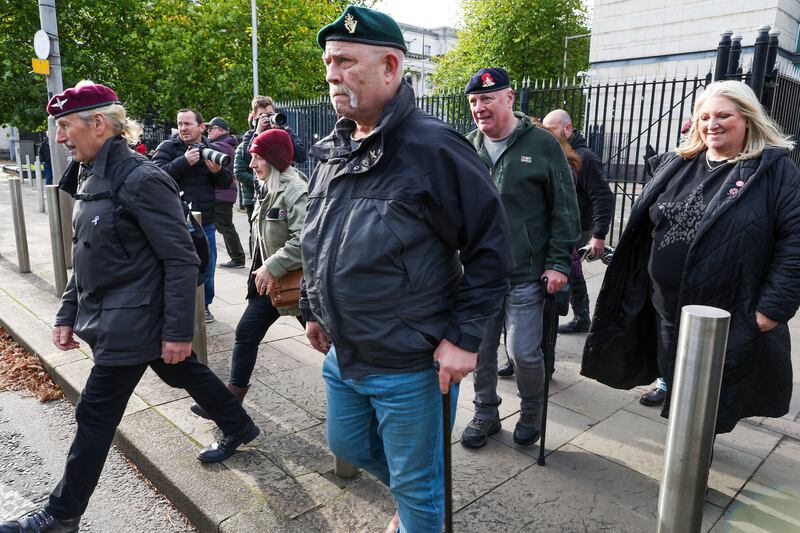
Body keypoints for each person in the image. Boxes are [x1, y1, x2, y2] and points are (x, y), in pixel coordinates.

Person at [0, 81, 259, 533]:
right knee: (182, 371)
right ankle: (238, 425)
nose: (59, 137)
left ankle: (61, 516)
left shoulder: (140, 178)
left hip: (134, 321)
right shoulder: (93, 175)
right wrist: (66, 313)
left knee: (95, 415)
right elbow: (87, 253)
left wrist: (177, 331)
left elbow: (182, 258)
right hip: (120, 315)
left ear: (98, 124)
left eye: (65, 126)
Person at [303, 7, 513, 532]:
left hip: (410, 362)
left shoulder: (434, 147)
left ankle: (419, 510)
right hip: (346, 350)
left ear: (391, 67)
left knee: (419, 487)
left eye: (346, 61)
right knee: (347, 444)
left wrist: (465, 338)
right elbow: (319, 235)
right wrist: (311, 305)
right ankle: (416, 498)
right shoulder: (336, 147)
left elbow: (492, 248)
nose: (332, 73)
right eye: (329, 61)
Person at [582, 80, 800, 435]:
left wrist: (772, 308)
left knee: (708, 403)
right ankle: (685, 454)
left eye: (724, 115)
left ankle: (692, 467)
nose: (712, 124)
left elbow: (795, 242)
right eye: (705, 116)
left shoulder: (774, 172)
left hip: (725, 317)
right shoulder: (677, 163)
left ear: (747, 119)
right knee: (679, 387)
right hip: (665, 309)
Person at [460, 68, 581, 450]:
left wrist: (559, 262)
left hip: (527, 273)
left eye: (488, 99)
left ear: (509, 98)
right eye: (474, 102)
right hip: (479, 273)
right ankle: (485, 412)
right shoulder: (467, 146)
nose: (480, 108)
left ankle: (531, 410)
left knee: (523, 352)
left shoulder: (542, 144)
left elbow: (565, 206)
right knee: (478, 349)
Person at [190, 128, 307, 418]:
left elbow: (306, 240)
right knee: (246, 333)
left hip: (299, 283)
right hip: (271, 283)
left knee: (326, 342)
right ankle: (230, 404)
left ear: (275, 159)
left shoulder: (295, 190)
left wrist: (271, 265)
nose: (252, 165)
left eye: (257, 158)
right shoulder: (268, 186)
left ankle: (359, 395)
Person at [152, 109, 233, 323]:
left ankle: (204, 305)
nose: (183, 128)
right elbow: (155, 177)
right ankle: (177, 306)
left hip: (205, 220)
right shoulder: (168, 148)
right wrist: (183, 162)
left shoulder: (212, 149)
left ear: (201, 127)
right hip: (175, 220)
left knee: (207, 266)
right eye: (180, 124)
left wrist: (217, 171)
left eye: (188, 124)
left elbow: (227, 183)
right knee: (175, 266)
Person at [542, 109, 615, 335]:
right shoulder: (560, 152)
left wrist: (599, 235)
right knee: (573, 269)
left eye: (551, 129)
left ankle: (581, 317)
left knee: (571, 269)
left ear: (567, 128)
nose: (547, 134)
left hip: (580, 224)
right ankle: (581, 317)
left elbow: (603, 196)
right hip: (568, 223)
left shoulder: (584, 157)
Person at [234, 96, 307, 253]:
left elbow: (301, 155)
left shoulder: (285, 131)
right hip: (261, 193)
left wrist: (282, 134)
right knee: (260, 235)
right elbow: (247, 160)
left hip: (283, 187)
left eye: (271, 113)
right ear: (254, 116)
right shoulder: (250, 135)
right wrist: (258, 133)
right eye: (262, 115)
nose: (268, 118)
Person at [207, 116, 247, 269]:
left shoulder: (221, 146)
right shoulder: (223, 144)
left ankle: (237, 258)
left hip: (222, 194)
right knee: (224, 226)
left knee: (225, 227)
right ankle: (237, 257)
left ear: (221, 130)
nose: (209, 131)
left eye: (212, 128)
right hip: (224, 193)